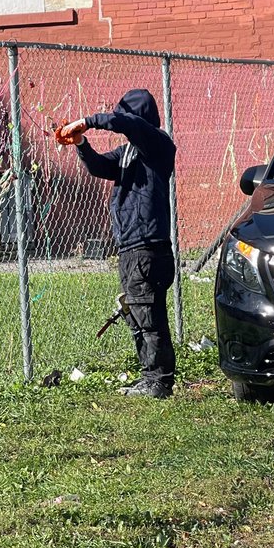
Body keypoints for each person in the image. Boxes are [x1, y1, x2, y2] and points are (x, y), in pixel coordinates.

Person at [57, 89, 177, 399]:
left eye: (124, 116)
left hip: (149, 246)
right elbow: (99, 167)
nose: (121, 123)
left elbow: (129, 125)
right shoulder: (127, 153)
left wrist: (89, 121)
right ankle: (148, 376)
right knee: (136, 314)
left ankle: (159, 382)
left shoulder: (157, 145)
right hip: (130, 248)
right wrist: (82, 143)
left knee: (150, 318)